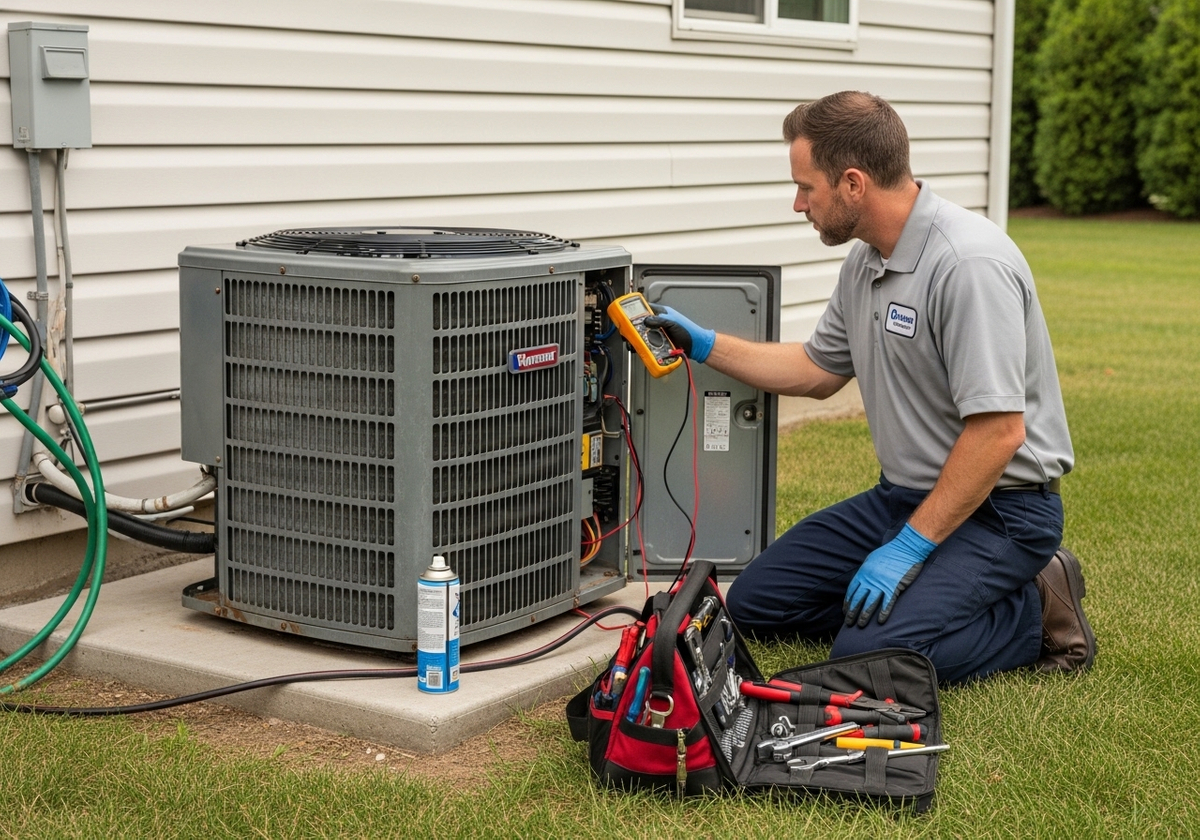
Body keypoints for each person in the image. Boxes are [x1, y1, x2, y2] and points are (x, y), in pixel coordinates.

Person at [646, 91, 1095, 684]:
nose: (798, 204)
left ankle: (1034, 609)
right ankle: (910, 607)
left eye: (806, 187)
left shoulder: (968, 265)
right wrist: (705, 345)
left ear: (853, 184)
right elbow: (817, 369)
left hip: (1000, 512)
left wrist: (909, 548)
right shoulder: (867, 261)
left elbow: (999, 433)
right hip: (900, 498)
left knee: (866, 659)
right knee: (753, 604)